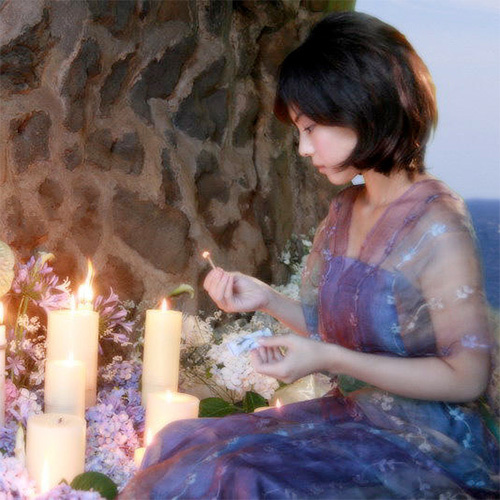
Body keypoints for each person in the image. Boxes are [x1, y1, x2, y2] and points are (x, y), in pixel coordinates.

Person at [121, 12, 499, 499]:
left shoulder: (436, 221)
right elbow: (334, 332)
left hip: (427, 442)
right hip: (356, 417)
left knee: (242, 476)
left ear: (366, 108)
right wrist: (267, 300)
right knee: (181, 440)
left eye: (311, 127)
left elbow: (468, 377)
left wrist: (330, 358)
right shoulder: (345, 209)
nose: (302, 148)